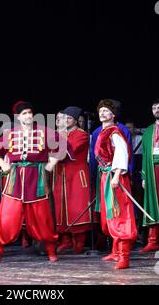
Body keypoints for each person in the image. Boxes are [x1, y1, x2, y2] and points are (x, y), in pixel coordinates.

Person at [0, 101, 66, 264]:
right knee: (6, 216)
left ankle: (50, 250)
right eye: (24, 113)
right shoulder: (9, 134)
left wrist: (51, 163)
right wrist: (3, 163)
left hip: (36, 178)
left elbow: (63, 145)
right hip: (15, 178)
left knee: (42, 216)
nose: (28, 116)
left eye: (29, 112)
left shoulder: (44, 132)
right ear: (17, 117)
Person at [94, 100, 137, 270]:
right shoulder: (103, 132)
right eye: (101, 111)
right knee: (110, 214)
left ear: (113, 115)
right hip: (106, 175)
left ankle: (124, 257)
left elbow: (121, 153)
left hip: (114, 176)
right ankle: (115, 251)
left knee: (120, 214)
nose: (102, 113)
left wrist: (117, 175)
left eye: (106, 111)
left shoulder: (114, 132)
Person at [53, 106, 91, 254]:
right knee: (60, 207)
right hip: (60, 174)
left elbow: (68, 150)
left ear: (76, 120)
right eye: (64, 118)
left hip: (76, 174)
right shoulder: (58, 134)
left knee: (77, 206)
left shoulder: (81, 135)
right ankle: (65, 240)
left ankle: (79, 241)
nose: (66, 121)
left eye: (69, 118)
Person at [140, 99, 159, 252]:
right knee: (153, 202)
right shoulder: (147, 131)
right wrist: (144, 177)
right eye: (154, 108)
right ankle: (153, 240)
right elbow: (145, 154)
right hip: (151, 169)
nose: (157, 110)